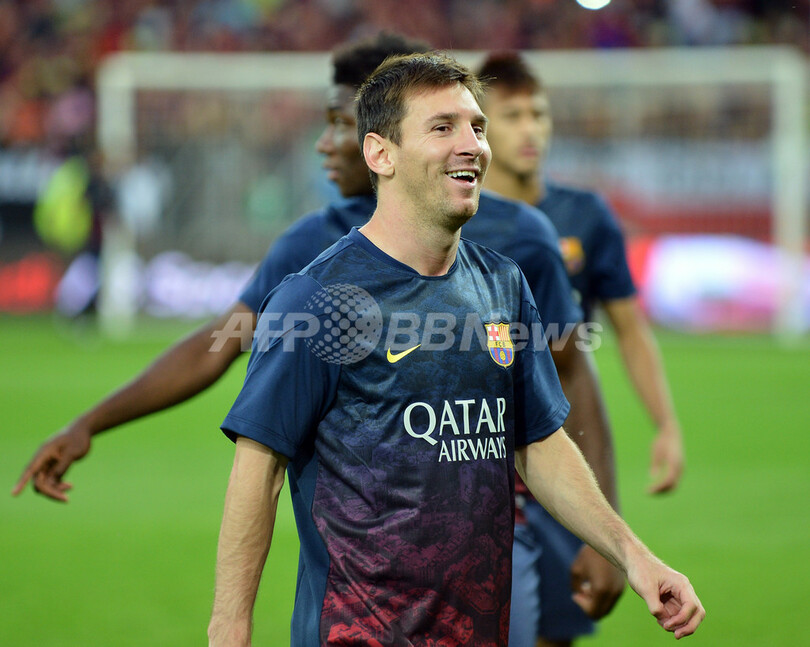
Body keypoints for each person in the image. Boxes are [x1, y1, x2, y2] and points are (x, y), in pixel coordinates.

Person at [14, 30, 622, 630]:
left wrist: (609, 538)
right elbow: (220, 345)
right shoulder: (312, 249)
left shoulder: (517, 241)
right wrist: (90, 423)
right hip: (368, 581)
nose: (325, 143)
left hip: (501, 538)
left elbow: (568, 376)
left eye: (339, 122)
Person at [207, 50, 704, 646]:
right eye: (442, 128)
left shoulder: (503, 284)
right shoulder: (317, 300)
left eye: (476, 127)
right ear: (380, 154)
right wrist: (229, 627)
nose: (472, 145)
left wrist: (634, 555)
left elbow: (538, 443)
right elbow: (258, 469)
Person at [477, 51, 687, 647]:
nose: (530, 129)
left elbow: (629, 329)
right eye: (512, 116)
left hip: (562, 448)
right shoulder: (455, 219)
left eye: (538, 114)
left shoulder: (586, 216)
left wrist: (666, 424)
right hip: (478, 454)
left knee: (557, 627)